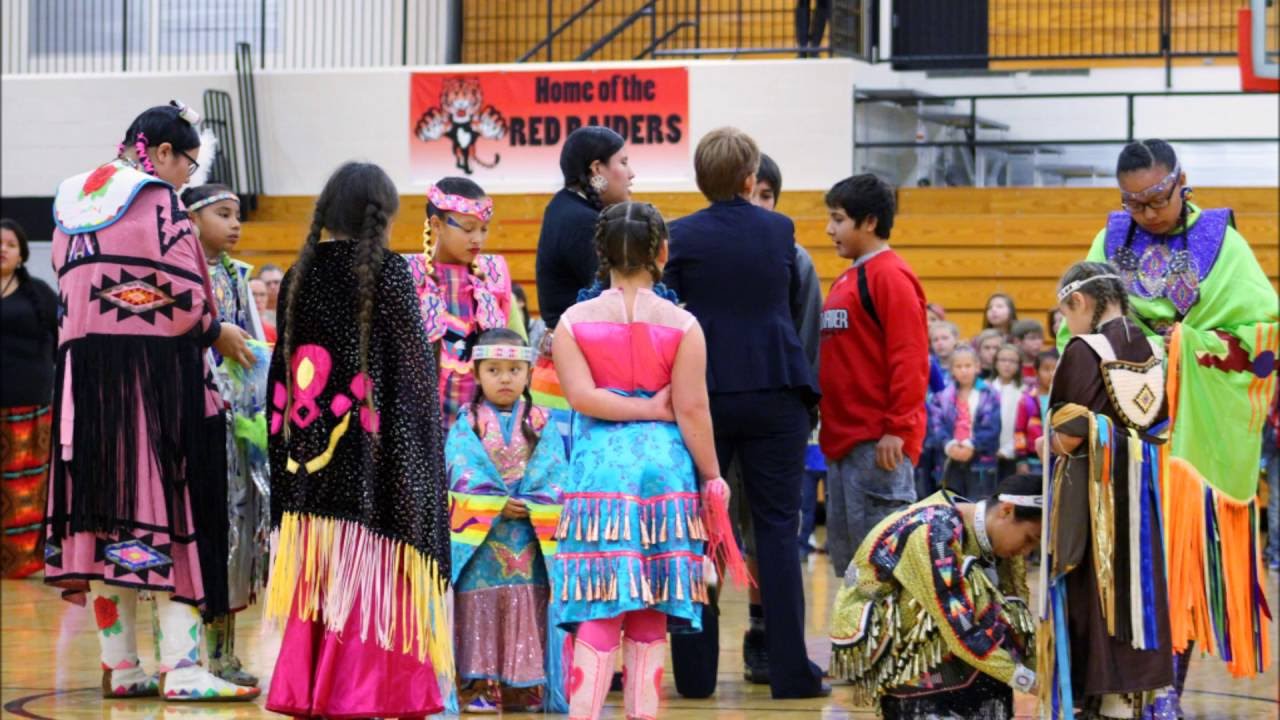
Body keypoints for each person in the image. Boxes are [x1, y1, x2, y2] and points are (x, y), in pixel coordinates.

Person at [43, 100, 258, 701]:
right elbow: (188, 302)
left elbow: (79, 293)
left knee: (104, 517)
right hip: (150, 385)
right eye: (188, 163)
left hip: (83, 387)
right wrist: (218, 329)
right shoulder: (156, 200)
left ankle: (121, 664)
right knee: (166, 511)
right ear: (162, 152)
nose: (188, 175)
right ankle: (184, 670)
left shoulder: (71, 201)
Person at [1059, 139, 1277, 686]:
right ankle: (1115, 684)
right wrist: (1121, 346)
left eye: (1156, 200)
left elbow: (1262, 340)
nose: (1146, 214)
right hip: (1118, 443)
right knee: (1118, 564)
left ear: (1183, 183)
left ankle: (1167, 685)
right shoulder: (1110, 239)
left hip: (1185, 444)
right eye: (1133, 204)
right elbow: (1071, 322)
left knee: (1174, 566)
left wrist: (1180, 347)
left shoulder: (1221, 244)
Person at [263, 162, 451, 718]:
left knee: (325, 578)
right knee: (370, 578)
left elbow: (284, 368)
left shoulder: (300, 274)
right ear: (384, 216)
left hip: (312, 468)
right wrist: (420, 470)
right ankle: (358, 693)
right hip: (373, 469)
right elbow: (414, 381)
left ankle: (311, 688)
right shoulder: (387, 274)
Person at [552, 201, 745, 719]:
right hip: (664, 474)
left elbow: (581, 398)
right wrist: (711, 475)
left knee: (598, 603)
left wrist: (631, 408)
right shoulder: (682, 324)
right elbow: (691, 408)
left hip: (598, 478)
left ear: (601, 252)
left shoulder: (573, 322)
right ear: (662, 250)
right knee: (649, 607)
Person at [664, 127, 827, 700]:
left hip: (704, 395)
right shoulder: (780, 229)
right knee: (779, 532)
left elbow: (670, 316)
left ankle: (694, 675)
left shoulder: (678, 236)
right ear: (750, 178)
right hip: (775, 390)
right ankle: (791, 674)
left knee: (698, 530)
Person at [1040, 262, 1174, 719]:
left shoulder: (1083, 349)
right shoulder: (1154, 347)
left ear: (1079, 302)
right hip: (1143, 496)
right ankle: (1131, 698)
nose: (1065, 325)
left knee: (1093, 586)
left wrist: (1047, 442)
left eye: (1064, 314)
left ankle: (1097, 696)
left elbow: (1068, 433)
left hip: (1092, 495)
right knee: (1138, 584)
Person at [715, 150, 822, 686]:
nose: (757, 206)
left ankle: (763, 634)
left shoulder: (794, 257)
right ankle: (698, 639)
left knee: (768, 534)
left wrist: (802, 413)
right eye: (750, 194)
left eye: (766, 198)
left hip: (776, 412)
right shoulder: (705, 248)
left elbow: (804, 339)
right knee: (713, 528)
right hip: (717, 408)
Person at [829, 473, 1042, 719]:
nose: (1026, 552)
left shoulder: (987, 533)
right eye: (1029, 539)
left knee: (1003, 609)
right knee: (970, 598)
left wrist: (1040, 673)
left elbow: (1018, 612)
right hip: (882, 630)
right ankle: (919, 695)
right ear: (1006, 511)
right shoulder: (934, 533)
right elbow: (958, 626)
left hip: (925, 618)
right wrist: (1027, 680)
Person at [446, 329, 567, 713]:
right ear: (477, 374)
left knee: (527, 601)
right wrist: (495, 504)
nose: (504, 378)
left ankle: (522, 684)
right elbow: (459, 469)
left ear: (529, 374)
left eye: (514, 369)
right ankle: (478, 684)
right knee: (479, 604)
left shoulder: (541, 420)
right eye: (494, 370)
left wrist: (531, 500)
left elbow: (555, 472)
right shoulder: (468, 421)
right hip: (482, 538)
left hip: (528, 535)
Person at [182, 183, 271, 688]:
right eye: (223, 214)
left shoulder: (237, 276)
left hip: (239, 421)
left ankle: (225, 654)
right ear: (191, 221)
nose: (235, 224)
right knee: (206, 529)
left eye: (238, 214)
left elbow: (252, 344)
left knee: (237, 531)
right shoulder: (181, 275)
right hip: (198, 416)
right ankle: (191, 655)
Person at [818, 173, 929, 580]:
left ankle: (892, 644)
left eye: (838, 219)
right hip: (844, 443)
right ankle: (856, 640)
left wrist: (898, 428)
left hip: (878, 445)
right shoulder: (848, 278)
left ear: (868, 222)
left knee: (884, 564)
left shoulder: (891, 276)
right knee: (849, 564)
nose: (830, 229)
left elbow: (911, 358)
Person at [532, 126, 633, 441]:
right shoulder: (580, 220)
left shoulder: (566, 208)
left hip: (567, 369)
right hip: (573, 376)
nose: (632, 174)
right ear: (597, 170)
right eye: (624, 162)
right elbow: (612, 298)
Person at [406, 177, 520, 430]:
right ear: (437, 225)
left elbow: (511, 342)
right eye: (468, 229)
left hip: (483, 422)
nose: (477, 239)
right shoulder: (409, 273)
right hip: (421, 419)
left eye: (483, 228)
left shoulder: (494, 273)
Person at [0, 218, 57, 579]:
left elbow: (62, 341)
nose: (2, 249)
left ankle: (21, 560)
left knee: (24, 488)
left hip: (28, 404)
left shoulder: (38, 293)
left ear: (21, 253)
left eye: (9, 244)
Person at [927, 346, 1001, 501]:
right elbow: (935, 424)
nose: (964, 371)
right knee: (951, 503)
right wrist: (949, 445)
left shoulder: (989, 394)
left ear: (977, 367)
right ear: (951, 370)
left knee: (978, 504)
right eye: (959, 367)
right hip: (949, 458)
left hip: (980, 460)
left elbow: (992, 427)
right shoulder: (941, 396)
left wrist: (971, 445)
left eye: (968, 366)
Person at [1014, 349, 1056, 476]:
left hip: (1058, 459)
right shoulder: (1027, 399)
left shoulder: (1065, 398)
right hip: (1034, 462)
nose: (1052, 374)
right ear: (1036, 372)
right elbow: (1019, 431)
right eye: (1046, 369)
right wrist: (1021, 460)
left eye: (1056, 369)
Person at [991, 344, 1024, 481]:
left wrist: (1008, 449)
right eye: (1003, 360)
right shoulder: (987, 389)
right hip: (987, 455)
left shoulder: (1023, 392)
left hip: (1012, 455)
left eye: (1012, 361)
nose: (1007, 365)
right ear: (995, 363)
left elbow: (1022, 426)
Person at [1011, 319, 1045, 389]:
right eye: (1032, 338)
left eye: (1040, 338)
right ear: (1017, 341)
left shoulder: (1045, 364)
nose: (1038, 342)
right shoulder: (1011, 366)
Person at [249, 277, 277, 343]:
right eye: (253, 294)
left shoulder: (271, 331)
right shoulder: (235, 327)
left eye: (262, 295)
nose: (258, 300)